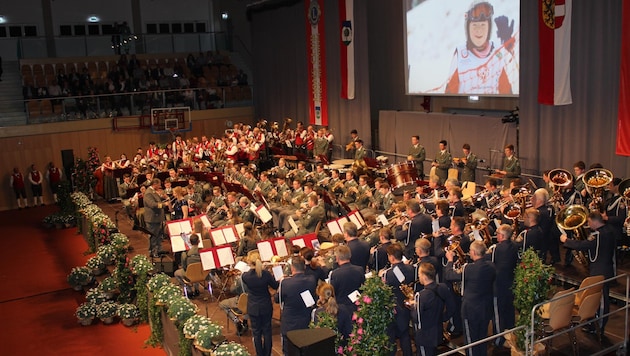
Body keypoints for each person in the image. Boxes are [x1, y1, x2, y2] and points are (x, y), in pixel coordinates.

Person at [560, 211, 616, 336]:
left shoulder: (599, 235)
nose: (588, 225)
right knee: (595, 299)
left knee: (600, 300)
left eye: (589, 222)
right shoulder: (608, 231)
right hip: (603, 268)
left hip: (600, 271)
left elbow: (584, 245)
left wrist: (567, 240)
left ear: (595, 222)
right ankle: (593, 323)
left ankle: (599, 326)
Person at [445, 1, 517, 95]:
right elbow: (449, 95)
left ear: (489, 28)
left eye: (483, 25)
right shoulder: (460, 54)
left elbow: (507, 91)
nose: (479, 30)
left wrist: (509, 46)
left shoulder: (496, 53)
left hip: (491, 107)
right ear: (468, 29)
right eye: (474, 25)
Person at [444, 240, 495, 356]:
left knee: (471, 341)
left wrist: (450, 261)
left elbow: (449, 275)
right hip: (486, 307)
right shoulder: (491, 266)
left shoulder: (469, 269)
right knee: (482, 338)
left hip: (470, 310)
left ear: (473, 252)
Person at [275, 256, 318, 355]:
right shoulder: (312, 280)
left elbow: (277, 299)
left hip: (290, 325)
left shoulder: (285, 283)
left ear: (292, 268)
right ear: (304, 267)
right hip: (305, 323)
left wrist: (281, 282)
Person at [411, 263, 455, 356]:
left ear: (424, 276)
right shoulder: (443, 287)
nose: (418, 277)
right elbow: (452, 307)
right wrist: (442, 318)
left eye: (419, 275)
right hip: (438, 331)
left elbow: (417, 318)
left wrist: (413, 306)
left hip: (424, 336)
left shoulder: (421, 295)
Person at [242, 250, 279, 356]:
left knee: (256, 333)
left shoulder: (246, 276)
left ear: (249, 262)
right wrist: (275, 269)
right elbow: (275, 286)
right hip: (265, 306)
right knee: (267, 331)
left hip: (253, 307)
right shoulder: (266, 274)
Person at [488, 224, 519, 348]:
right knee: (509, 310)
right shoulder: (515, 246)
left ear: (501, 236)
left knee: (497, 314)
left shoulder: (497, 248)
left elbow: (489, 261)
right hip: (510, 283)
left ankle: (498, 340)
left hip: (498, 286)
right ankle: (511, 334)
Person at [383, 243, 416, 356]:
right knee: (405, 334)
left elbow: (386, 291)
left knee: (391, 336)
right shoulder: (411, 268)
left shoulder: (388, 273)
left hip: (395, 307)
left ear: (392, 257)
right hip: (409, 305)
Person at [329, 245, 365, 309]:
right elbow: (363, 286)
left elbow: (333, 291)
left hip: (342, 307)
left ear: (337, 258)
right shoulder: (360, 269)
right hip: (358, 304)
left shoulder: (335, 274)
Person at [144, 178, 168, 257]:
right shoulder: (148, 193)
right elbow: (152, 204)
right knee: (153, 235)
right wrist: (164, 204)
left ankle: (159, 249)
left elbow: (157, 200)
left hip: (157, 218)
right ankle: (153, 251)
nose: (160, 186)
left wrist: (163, 198)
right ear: (154, 184)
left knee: (159, 234)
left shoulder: (153, 192)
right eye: (159, 185)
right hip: (152, 218)